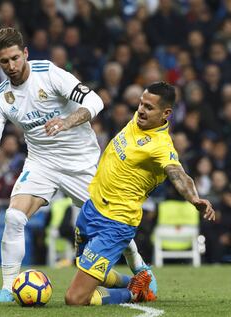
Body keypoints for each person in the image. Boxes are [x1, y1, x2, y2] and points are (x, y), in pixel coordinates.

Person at [0, 27, 156, 303]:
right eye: (4, 61)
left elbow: (95, 100)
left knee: (111, 220)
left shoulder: (49, 73)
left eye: (15, 58)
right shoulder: (0, 98)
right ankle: (8, 289)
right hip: (42, 162)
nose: (11, 66)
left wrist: (66, 122)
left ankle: (140, 269)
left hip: (82, 161)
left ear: (26, 54)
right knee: (14, 217)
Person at [64, 82, 216, 306]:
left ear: (166, 113)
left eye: (149, 107)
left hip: (115, 221)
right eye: (141, 104)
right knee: (83, 265)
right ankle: (134, 282)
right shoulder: (137, 120)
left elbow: (178, 174)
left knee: (75, 299)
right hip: (92, 208)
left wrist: (193, 198)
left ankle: (135, 293)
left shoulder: (161, 147)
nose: (142, 110)